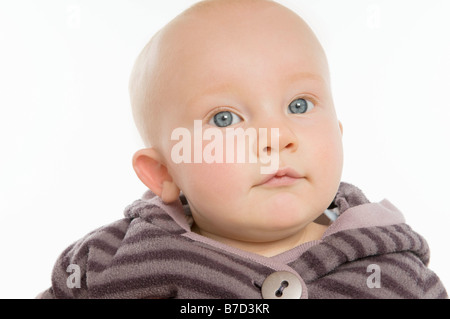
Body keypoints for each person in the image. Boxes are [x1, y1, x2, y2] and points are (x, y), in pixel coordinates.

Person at [37, 0, 447, 299]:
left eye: (299, 105)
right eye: (225, 118)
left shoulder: (393, 271)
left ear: (338, 132)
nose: (276, 137)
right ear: (163, 173)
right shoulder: (112, 262)